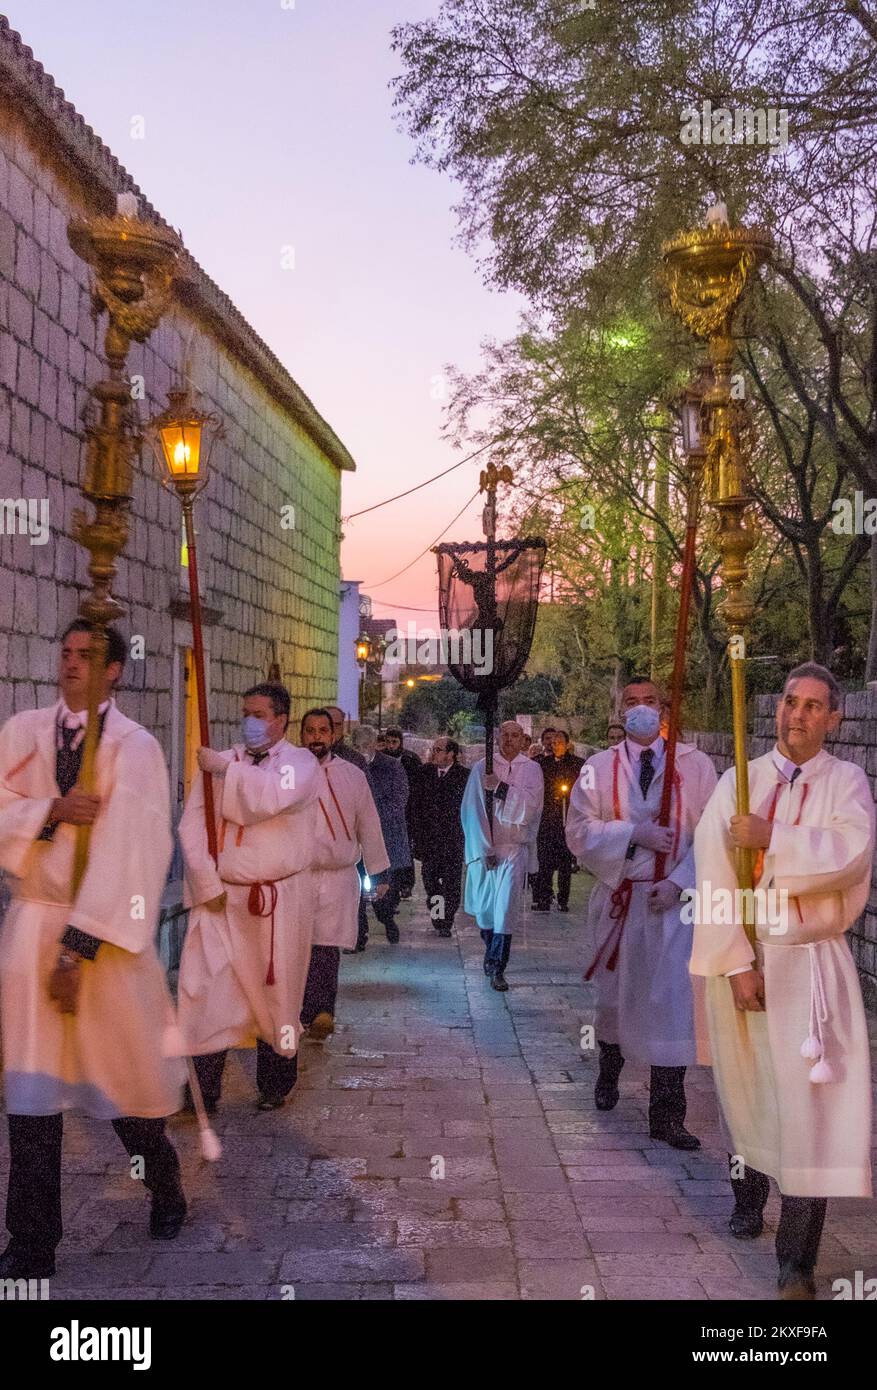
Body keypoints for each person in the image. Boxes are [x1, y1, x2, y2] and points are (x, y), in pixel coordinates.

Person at [0, 620, 186, 1279]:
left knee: (121, 1092)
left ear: (115, 671)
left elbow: (130, 849)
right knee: (31, 1095)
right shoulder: (22, 732)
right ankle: (31, 1245)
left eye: (86, 656)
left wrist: (77, 949)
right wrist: (50, 811)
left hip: (101, 943)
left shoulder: (134, 748)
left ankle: (161, 1179)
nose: (71, 664)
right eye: (66, 651)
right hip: (32, 927)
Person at [691, 663, 875, 1300]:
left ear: (833, 718)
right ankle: (747, 1197)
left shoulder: (846, 782)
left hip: (811, 964)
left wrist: (776, 838)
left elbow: (852, 853)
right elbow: (714, 872)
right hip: (746, 958)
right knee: (749, 1095)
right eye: (790, 702)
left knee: (810, 1112)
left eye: (812, 706)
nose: (797, 715)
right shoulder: (739, 780)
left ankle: (796, 1262)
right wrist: (737, 964)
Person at [565, 676, 718, 1149]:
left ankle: (668, 1115)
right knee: (615, 998)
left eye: (650, 701)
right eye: (631, 702)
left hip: (673, 906)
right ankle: (609, 1073)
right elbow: (579, 830)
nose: (641, 709)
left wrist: (679, 883)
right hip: (621, 899)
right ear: (619, 710)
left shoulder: (696, 766)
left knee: (672, 1006)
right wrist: (633, 833)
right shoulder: (597, 767)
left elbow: (713, 834)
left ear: (665, 709)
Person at [177, 682, 320, 1112]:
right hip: (221, 898)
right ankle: (203, 1090)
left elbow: (269, 798)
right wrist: (207, 884)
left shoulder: (300, 764)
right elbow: (193, 825)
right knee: (207, 990)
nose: (249, 722)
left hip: (276, 901)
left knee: (275, 993)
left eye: (258, 714)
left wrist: (224, 771)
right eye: (245, 712)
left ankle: (275, 1083)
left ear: (282, 720)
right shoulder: (224, 761)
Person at [299, 708, 390, 1038]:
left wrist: (379, 873)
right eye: (310, 731)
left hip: (338, 876)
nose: (317, 737)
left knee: (327, 945)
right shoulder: (287, 773)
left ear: (333, 735)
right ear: (302, 734)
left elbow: (369, 822)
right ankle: (302, 1010)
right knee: (299, 945)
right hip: (297, 875)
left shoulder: (352, 775)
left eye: (323, 730)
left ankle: (322, 1012)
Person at [461, 720, 544, 991]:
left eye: (515, 735)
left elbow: (531, 807)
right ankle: (490, 951)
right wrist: (484, 847)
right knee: (486, 911)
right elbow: (472, 810)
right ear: (497, 739)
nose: (509, 740)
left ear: (523, 740)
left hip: (513, 848)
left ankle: (498, 965)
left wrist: (501, 788)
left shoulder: (531, 769)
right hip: (486, 848)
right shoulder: (481, 768)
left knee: (505, 908)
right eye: (504, 735)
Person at [352, 725, 410, 946]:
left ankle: (387, 920)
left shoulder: (392, 767)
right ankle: (358, 937)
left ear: (374, 744)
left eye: (365, 746)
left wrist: (372, 816)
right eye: (357, 746)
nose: (361, 750)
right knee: (356, 889)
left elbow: (399, 800)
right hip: (356, 839)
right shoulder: (349, 766)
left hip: (384, 837)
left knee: (382, 893)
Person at [413, 737, 470, 937]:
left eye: (438, 750)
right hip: (429, 841)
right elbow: (415, 806)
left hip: (453, 841)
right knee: (430, 881)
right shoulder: (424, 773)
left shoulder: (464, 777)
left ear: (451, 754)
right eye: (433, 749)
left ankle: (444, 921)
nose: (434, 753)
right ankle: (438, 912)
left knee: (451, 884)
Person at [533, 730, 584, 913]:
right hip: (547, 820)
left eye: (560, 742)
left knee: (564, 862)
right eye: (553, 743)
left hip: (566, 819)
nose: (556, 746)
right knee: (544, 861)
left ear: (567, 744)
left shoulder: (577, 764)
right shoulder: (543, 764)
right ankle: (544, 898)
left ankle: (563, 898)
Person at [384, 727, 422, 898]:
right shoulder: (381, 759)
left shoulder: (410, 759)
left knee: (405, 848)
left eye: (394, 742)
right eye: (388, 742)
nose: (391, 746)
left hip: (408, 811)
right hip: (388, 812)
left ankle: (406, 884)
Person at [324, 705, 368, 772]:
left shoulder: (356, 759)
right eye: (328, 724)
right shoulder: (307, 757)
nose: (333, 729)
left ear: (343, 726)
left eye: (337, 725)